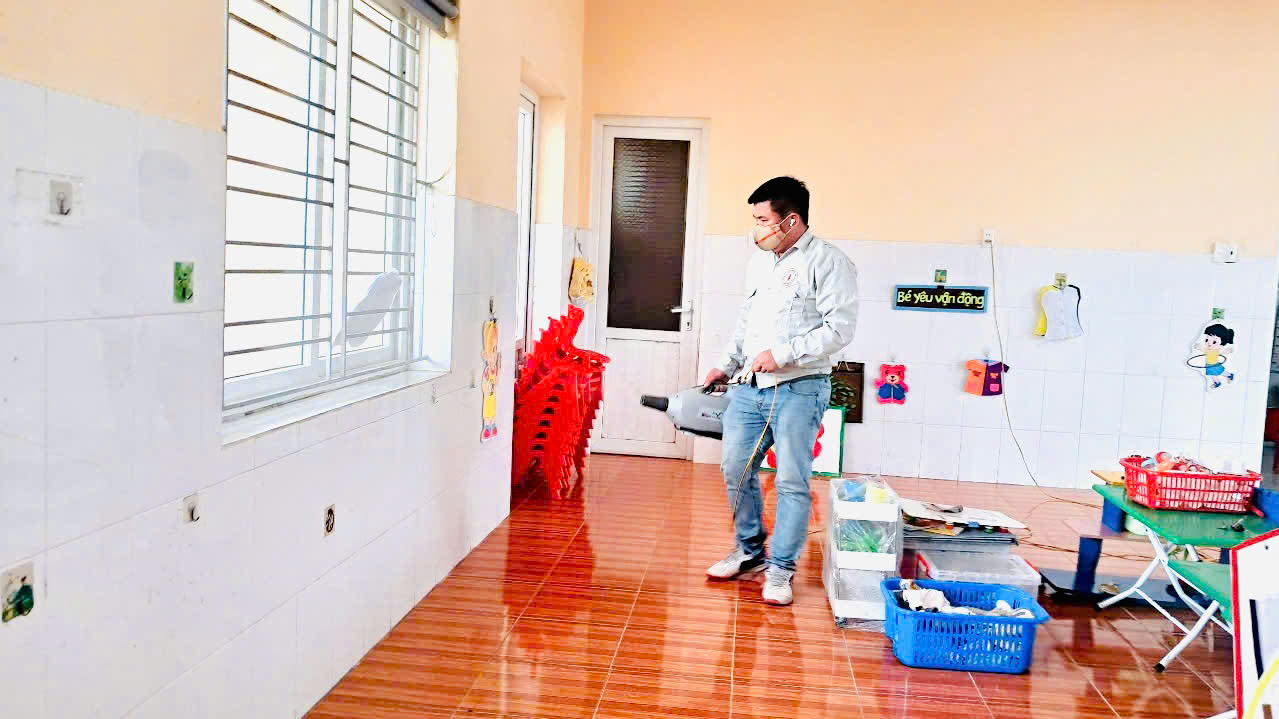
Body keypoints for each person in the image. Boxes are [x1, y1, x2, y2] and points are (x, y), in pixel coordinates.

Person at [703, 176, 859, 605]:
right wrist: (725, 364)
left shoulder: (829, 262)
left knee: (792, 481)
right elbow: (747, 322)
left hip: (800, 389)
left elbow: (840, 329)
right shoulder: (760, 263)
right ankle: (749, 551)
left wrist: (784, 354)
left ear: (790, 221)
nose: (756, 229)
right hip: (750, 387)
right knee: (735, 469)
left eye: (762, 220)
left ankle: (782, 569)